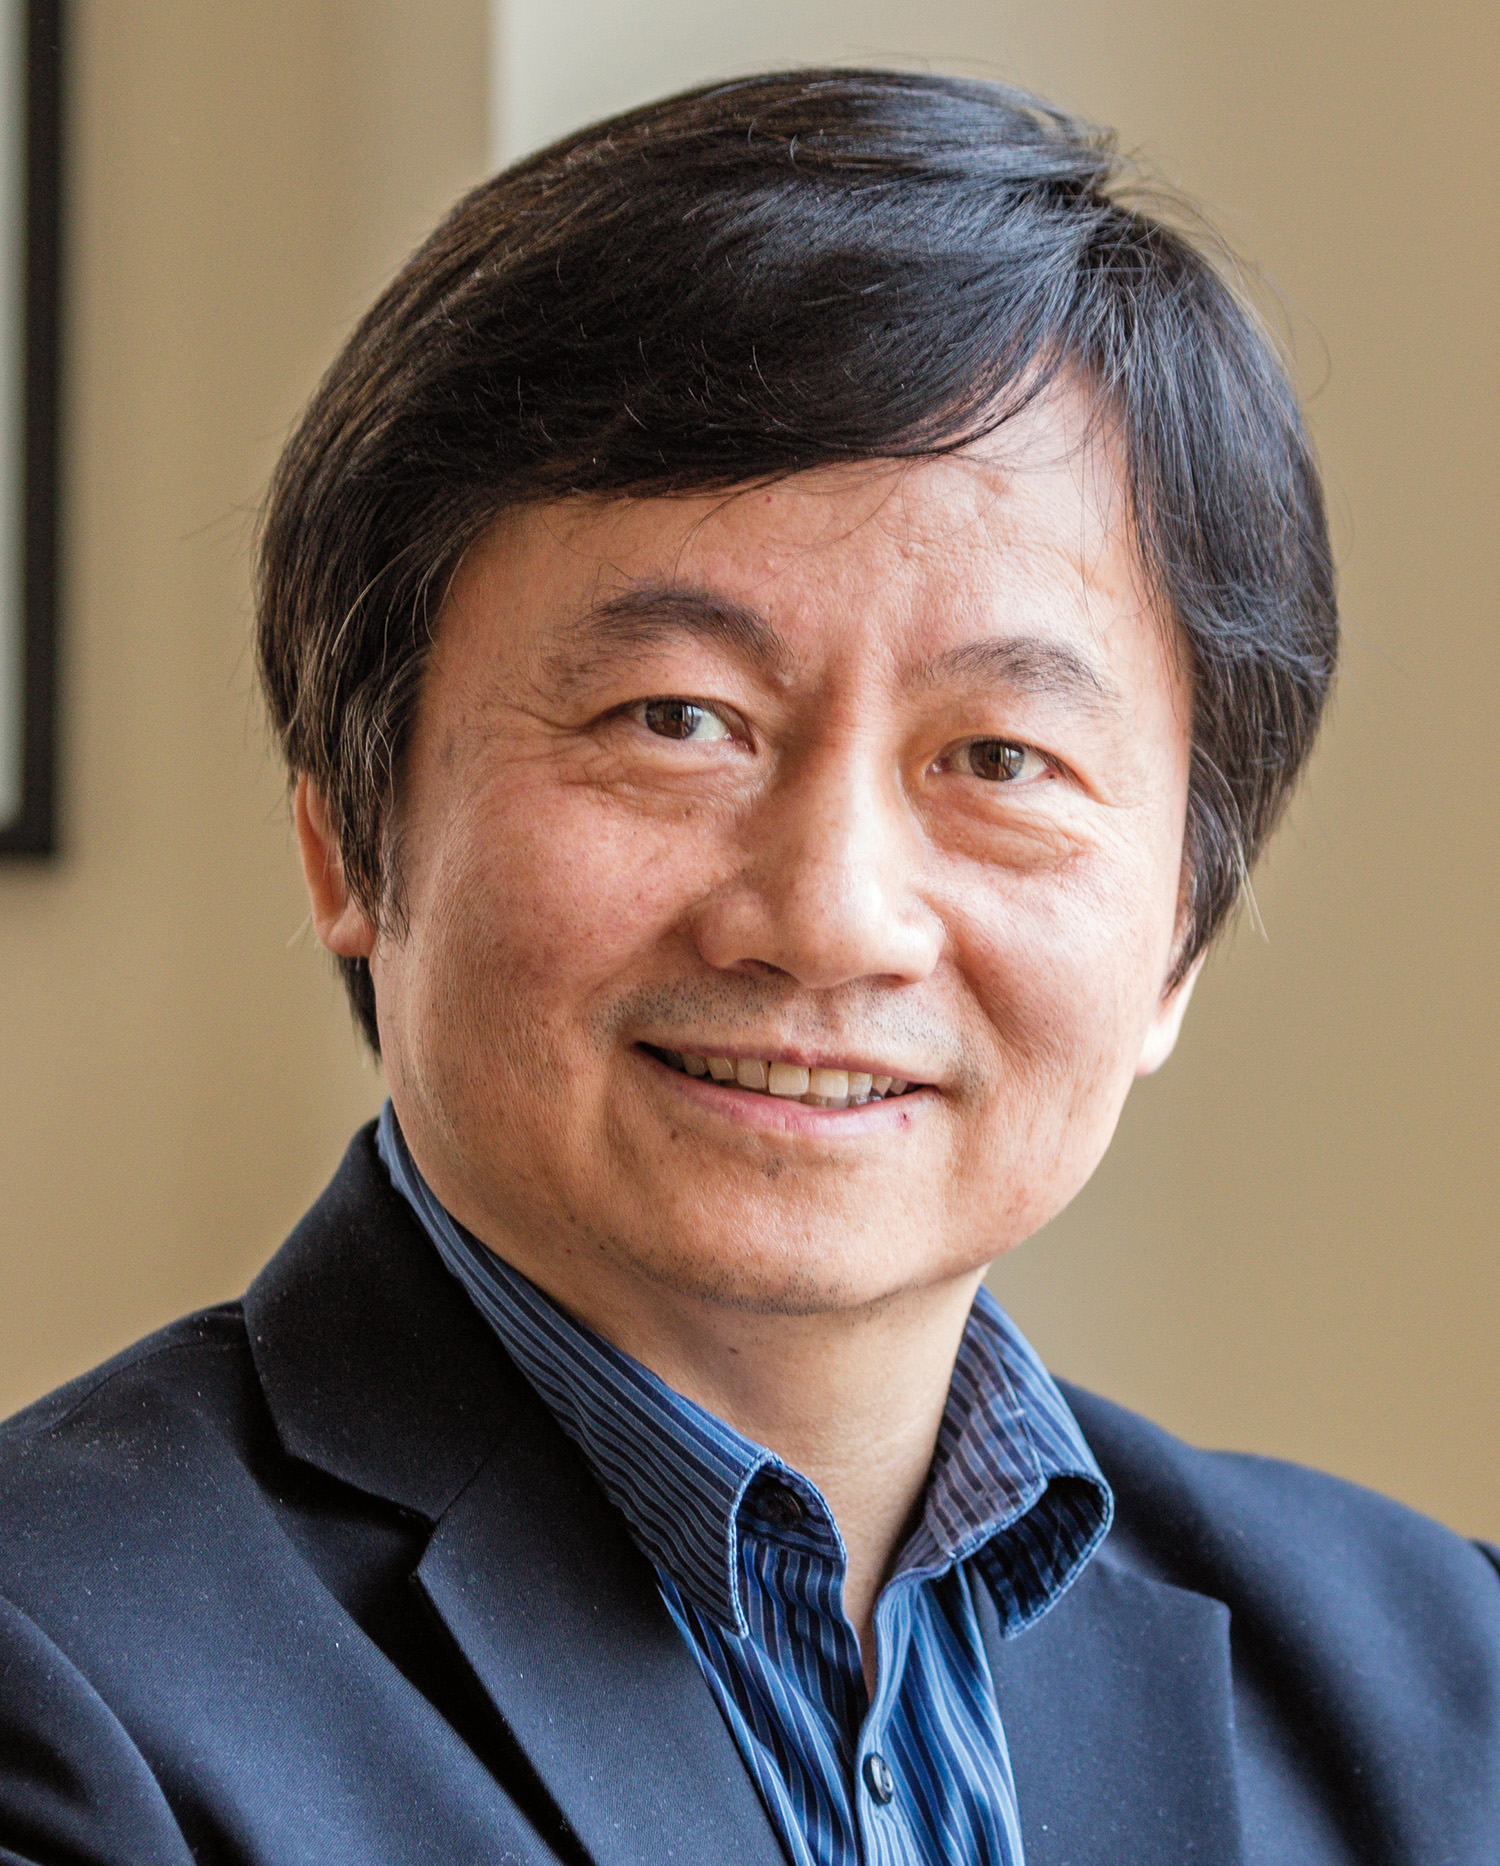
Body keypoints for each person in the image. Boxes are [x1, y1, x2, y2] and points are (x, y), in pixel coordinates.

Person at [1, 68, 1495, 1866]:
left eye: (1000, 760)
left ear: (1181, 925)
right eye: (678, 718)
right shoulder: (58, 1683)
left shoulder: (1446, 1686)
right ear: (345, 835)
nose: (832, 914)